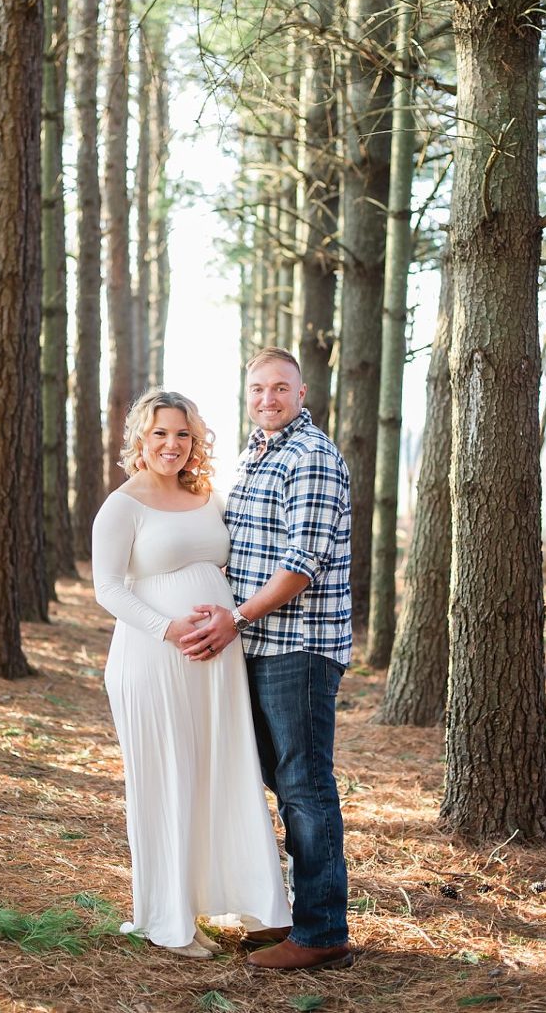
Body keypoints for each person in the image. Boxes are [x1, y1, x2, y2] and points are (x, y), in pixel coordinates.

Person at [91, 389, 291, 960]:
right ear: (140, 438)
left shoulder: (207, 497)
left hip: (217, 662)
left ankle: (242, 898)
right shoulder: (123, 505)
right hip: (153, 659)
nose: (171, 445)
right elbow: (108, 588)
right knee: (167, 778)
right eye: (159, 433)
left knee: (221, 773)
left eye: (182, 434)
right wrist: (167, 628)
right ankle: (166, 919)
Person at [182, 346, 353, 971]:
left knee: (305, 788)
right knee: (277, 781)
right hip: (253, 645)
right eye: (257, 389)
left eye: (280, 388)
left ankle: (321, 931)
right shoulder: (256, 457)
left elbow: (301, 567)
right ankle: (283, 909)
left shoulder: (309, 458)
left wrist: (237, 618)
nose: (267, 399)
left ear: (301, 393)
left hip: (298, 647)